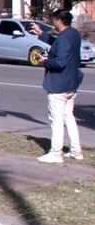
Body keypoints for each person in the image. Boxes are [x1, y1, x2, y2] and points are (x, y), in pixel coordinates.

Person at [31, 11, 84, 163]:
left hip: (59, 84)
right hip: (71, 83)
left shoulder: (63, 39)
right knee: (68, 116)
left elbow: (60, 62)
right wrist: (41, 33)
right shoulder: (73, 34)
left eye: (53, 20)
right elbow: (58, 44)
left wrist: (44, 61)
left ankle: (55, 153)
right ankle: (76, 150)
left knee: (57, 119)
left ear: (59, 21)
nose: (52, 22)